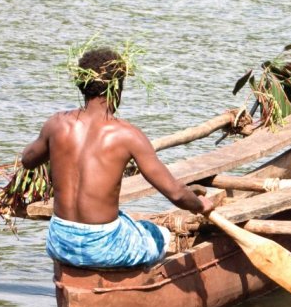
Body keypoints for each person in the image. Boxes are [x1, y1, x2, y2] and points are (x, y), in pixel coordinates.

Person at [21, 47, 214, 268]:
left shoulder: (56, 123)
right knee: (158, 234)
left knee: (126, 221)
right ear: (117, 89)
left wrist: (51, 143)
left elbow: (28, 160)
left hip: (60, 241)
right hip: (103, 245)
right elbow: (177, 194)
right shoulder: (127, 135)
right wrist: (201, 205)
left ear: (82, 85)